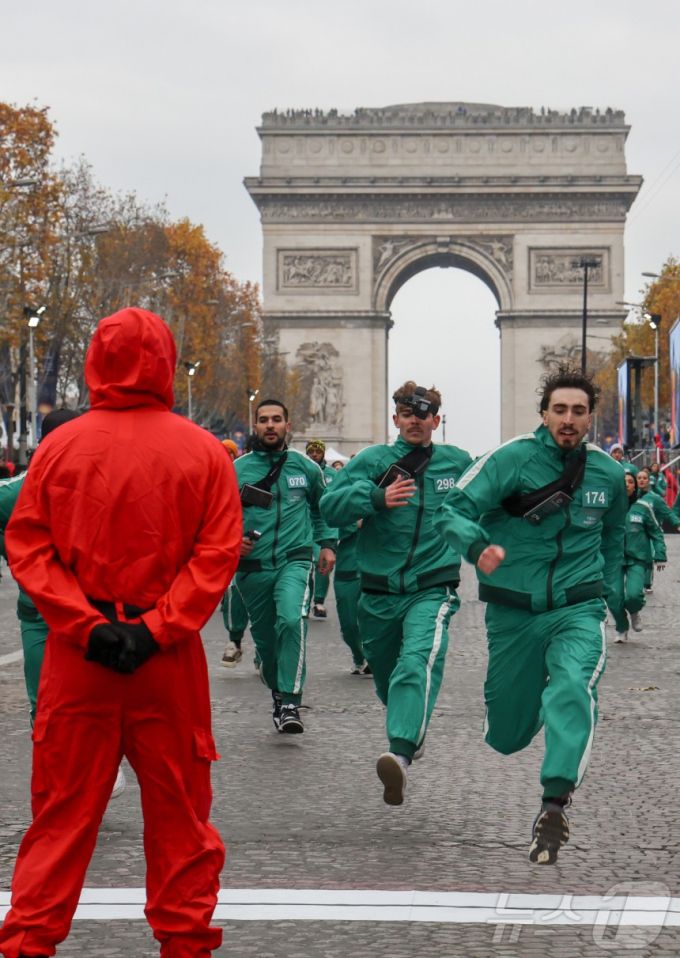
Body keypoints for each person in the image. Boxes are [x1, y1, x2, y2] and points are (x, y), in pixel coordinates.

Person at [0, 307, 242, 958]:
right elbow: (217, 555)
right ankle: (186, 943)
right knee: (181, 820)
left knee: (60, 818)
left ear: (95, 359)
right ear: (167, 362)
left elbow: (27, 545)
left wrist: (86, 625)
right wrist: (156, 629)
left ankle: (27, 945)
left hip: (80, 659)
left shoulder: (58, 447)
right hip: (166, 662)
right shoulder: (204, 451)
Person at [435, 366, 626, 865]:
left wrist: (612, 595)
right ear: (543, 413)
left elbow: (614, 537)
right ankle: (543, 711)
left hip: (577, 608)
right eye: (559, 409)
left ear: (590, 417)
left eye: (578, 411)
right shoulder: (510, 459)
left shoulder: (608, 473)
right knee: (506, 735)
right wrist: (477, 547)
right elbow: (451, 508)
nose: (568, 419)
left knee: (573, 687)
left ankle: (554, 803)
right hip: (513, 613)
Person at [321, 381, 472, 805]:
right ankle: (410, 725)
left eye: (422, 415)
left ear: (435, 422)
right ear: (395, 420)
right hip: (378, 590)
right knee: (389, 680)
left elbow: (494, 492)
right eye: (407, 414)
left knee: (416, 662)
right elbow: (330, 506)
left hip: (433, 586)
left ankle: (400, 752)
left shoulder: (457, 462)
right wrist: (374, 497)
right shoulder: (372, 461)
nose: (414, 421)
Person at [233, 399, 336, 734]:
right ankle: (278, 688)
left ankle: (290, 702)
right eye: (264, 420)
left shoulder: (305, 467)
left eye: (277, 419)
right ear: (256, 426)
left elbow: (324, 508)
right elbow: (218, 517)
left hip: (294, 561)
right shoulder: (237, 470)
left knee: (291, 620)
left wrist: (327, 544)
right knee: (266, 642)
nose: (270, 425)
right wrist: (233, 540)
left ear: (288, 425)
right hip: (252, 567)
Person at [611, 472, 666, 642]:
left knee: (633, 595)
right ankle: (622, 628)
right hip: (614, 558)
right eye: (624, 481)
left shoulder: (643, 507)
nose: (626, 484)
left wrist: (660, 554)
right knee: (613, 598)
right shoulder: (610, 507)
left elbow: (656, 532)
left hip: (638, 557)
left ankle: (634, 612)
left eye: (630, 482)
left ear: (635, 486)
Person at [305, 439, 337, 617]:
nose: (314, 454)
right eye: (311, 452)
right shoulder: (303, 471)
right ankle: (305, 602)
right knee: (305, 567)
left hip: (324, 524)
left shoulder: (333, 474)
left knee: (322, 564)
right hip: (304, 524)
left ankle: (319, 601)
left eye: (317, 451)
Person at [634, 467, 677, 595]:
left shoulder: (655, 498)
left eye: (644, 478)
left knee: (648, 557)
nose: (641, 480)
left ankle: (647, 583)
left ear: (649, 481)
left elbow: (667, 512)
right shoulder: (631, 495)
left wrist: (677, 523)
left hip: (649, 533)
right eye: (639, 478)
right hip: (633, 533)